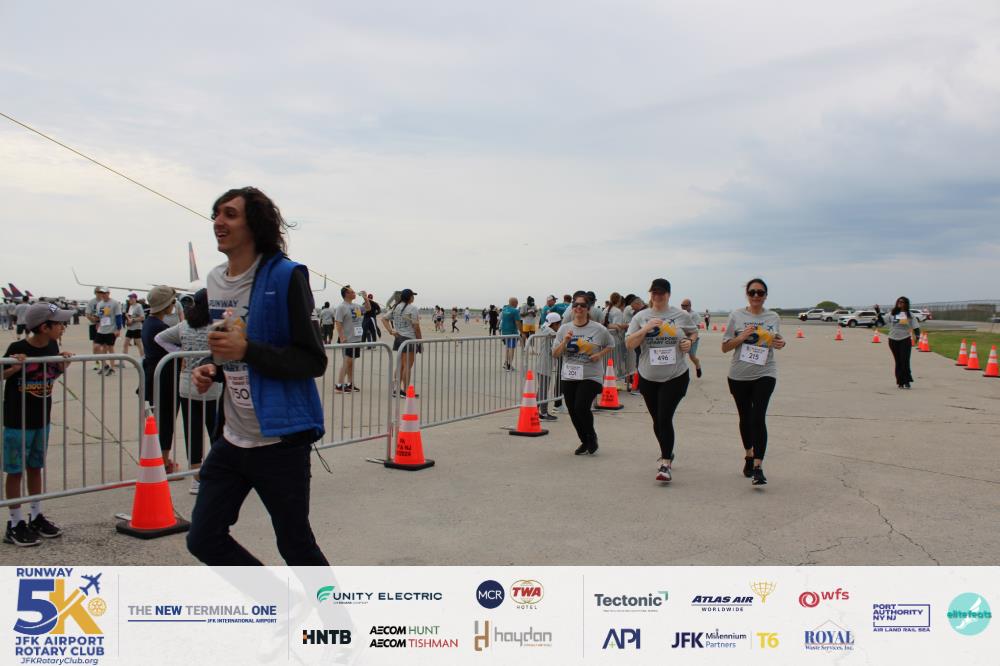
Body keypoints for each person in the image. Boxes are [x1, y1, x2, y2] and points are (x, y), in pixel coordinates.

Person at [187, 186, 329, 566]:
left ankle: (335, 609)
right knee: (203, 539)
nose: (218, 222)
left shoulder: (286, 276)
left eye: (230, 214)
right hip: (232, 437)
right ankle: (275, 598)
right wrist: (213, 367)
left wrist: (247, 351)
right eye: (216, 214)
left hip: (280, 442)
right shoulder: (215, 281)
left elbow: (313, 361)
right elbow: (229, 346)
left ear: (255, 224)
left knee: (296, 546)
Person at [2, 302, 74, 546]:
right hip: (17, 422)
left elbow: (51, 375)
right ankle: (14, 523)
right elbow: (2, 373)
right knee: (15, 471)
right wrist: (13, 367)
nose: (63, 327)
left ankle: (35, 515)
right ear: (44, 327)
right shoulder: (17, 348)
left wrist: (62, 364)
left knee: (35, 468)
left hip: (41, 420)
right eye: (59, 323)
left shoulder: (53, 346)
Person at [626, 279, 698, 483]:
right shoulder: (641, 316)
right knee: (657, 420)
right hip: (648, 376)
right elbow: (629, 344)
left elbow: (693, 331)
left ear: (668, 294)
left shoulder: (680, 315)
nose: (657, 296)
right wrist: (645, 329)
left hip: (675, 375)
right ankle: (668, 450)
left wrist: (689, 341)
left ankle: (665, 463)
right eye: (654, 293)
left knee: (664, 417)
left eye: (661, 293)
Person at [154, 288, 221, 494]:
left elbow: (159, 338)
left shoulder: (185, 325)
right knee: (216, 432)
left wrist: (179, 353)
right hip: (212, 386)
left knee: (192, 432)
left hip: (187, 386)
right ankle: (220, 472)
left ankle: (196, 478)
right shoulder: (218, 326)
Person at [721, 278, 785, 486]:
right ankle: (749, 454)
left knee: (758, 417)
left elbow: (777, 340)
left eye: (760, 292)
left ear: (766, 295)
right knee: (745, 417)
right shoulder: (736, 316)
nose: (756, 296)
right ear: (747, 295)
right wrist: (742, 337)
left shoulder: (773, 316)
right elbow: (725, 347)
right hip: (739, 375)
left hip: (765, 372)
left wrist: (781, 342)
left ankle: (758, 466)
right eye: (752, 292)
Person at [552, 291, 613, 455]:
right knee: (572, 410)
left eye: (582, 305)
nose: (579, 308)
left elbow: (611, 344)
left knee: (581, 406)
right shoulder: (564, 328)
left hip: (590, 375)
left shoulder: (598, 329)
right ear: (572, 307)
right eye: (576, 305)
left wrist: (599, 355)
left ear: (588, 308)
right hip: (569, 375)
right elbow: (555, 354)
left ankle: (591, 436)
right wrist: (564, 342)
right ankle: (584, 441)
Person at [141, 285, 181, 472]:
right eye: (172, 302)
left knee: (160, 419)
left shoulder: (149, 323)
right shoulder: (159, 327)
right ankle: (164, 462)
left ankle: (159, 457)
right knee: (166, 420)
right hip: (165, 379)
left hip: (155, 376)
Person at [382, 288, 421, 396]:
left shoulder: (396, 307)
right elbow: (416, 327)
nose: (413, 298)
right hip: (409, 338)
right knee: (407, 365)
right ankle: (406, 390)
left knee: (400, 365)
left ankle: (396, 389)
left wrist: (391, 331)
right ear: (409, 297)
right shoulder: (412, 308)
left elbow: (384, 319)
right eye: (412, 296)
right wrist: (420, 341)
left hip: (399, 338)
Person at [334, 286, 371, 392]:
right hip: (348, 339)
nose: (355, 293)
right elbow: (338, 323)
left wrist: (366, 298)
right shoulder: (341, 307)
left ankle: (350, 383)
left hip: (357, 338)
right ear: (346, 294)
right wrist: (342, 337)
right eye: (352, 292)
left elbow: (368, 308)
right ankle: (339, 384)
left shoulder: (356, 306)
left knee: (351, 362)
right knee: (347, 361)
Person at [887, 296, 921, 389]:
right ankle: (900, 381)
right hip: (893, 339)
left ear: (906, 304)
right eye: (899, 302)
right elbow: (883, 321)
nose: (900, 303)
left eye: (902, 302)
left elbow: (916, 326)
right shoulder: (892, 313)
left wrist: (917, 336)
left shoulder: (910, 315)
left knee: (904, 360)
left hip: (904, 339)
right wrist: (877, 311)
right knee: (898, 361)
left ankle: (907, 381)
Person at [534, 312, 562, 421]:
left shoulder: (545, 328)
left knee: (542, 388)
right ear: (554, 324)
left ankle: (534, 409)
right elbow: (557, 336)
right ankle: (544, 413)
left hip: (544, 363)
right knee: (544, 389)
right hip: (544, 364)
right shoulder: (549, 331)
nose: (559, 326)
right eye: (559, 324)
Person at [91, 287, 122, 374]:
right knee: (96, 347)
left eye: (105, 293)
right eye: (101, 293)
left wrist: (118, 329)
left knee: (110, 348)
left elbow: (118, 316)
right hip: (101, 329)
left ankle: (112, 367)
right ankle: (105, 365)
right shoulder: (99, 304)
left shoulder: (114, 303)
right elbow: (100, 316)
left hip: (111, 329)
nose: (103, 295)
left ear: (108, 293)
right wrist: (96, 321)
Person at [679, 298, 702, 378]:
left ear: (690, 306)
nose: (683, 307)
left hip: (693, 339)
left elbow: (697, 327)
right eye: (682, 305)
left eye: (685, 305)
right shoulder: (680, 314)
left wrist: (687, 332)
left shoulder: (694, 315)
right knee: (680, 355)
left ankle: (697, 365)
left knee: (692, 356)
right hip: (682, 338)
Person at [500, 297, 522, 370]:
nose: (517, 304)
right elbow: (517, 322)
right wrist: (521, 332)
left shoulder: (504, 309)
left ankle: (506, 363)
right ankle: (509, 365)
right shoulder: (515, 311)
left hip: (504, 332)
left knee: (507, 348)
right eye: (517, 303)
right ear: (514, 303)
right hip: (512, 332)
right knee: (511, 348)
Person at [122, 293, 145, 358]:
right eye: (129, 298)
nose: (130, 299)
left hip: (137, 328)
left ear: (135, 299)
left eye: (131, 298)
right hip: (130, 328)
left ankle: (143, 359)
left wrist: (133, 320)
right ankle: (124, 359)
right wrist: (128, 318)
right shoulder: (131, 306)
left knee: (139, 345)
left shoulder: (138, 306)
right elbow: (130, 317)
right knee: (125, 344)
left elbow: (142, 317)